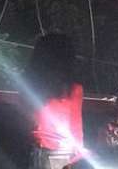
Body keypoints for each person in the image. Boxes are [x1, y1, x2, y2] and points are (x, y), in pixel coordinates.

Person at [23, 33, 86, 169]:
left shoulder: (30, 85)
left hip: (32, 147)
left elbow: (26, 116)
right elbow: (76, 125)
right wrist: (79, 151)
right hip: (60, 150)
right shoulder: (73, 88)